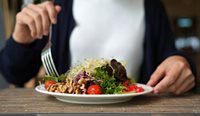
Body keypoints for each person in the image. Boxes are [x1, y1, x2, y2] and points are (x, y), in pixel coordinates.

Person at [0, 0, 197, 95]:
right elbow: (14, 73)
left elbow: (170, 59)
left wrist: (181, 62)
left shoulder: (152, 8)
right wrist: (21, 39)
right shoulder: (58, 6)